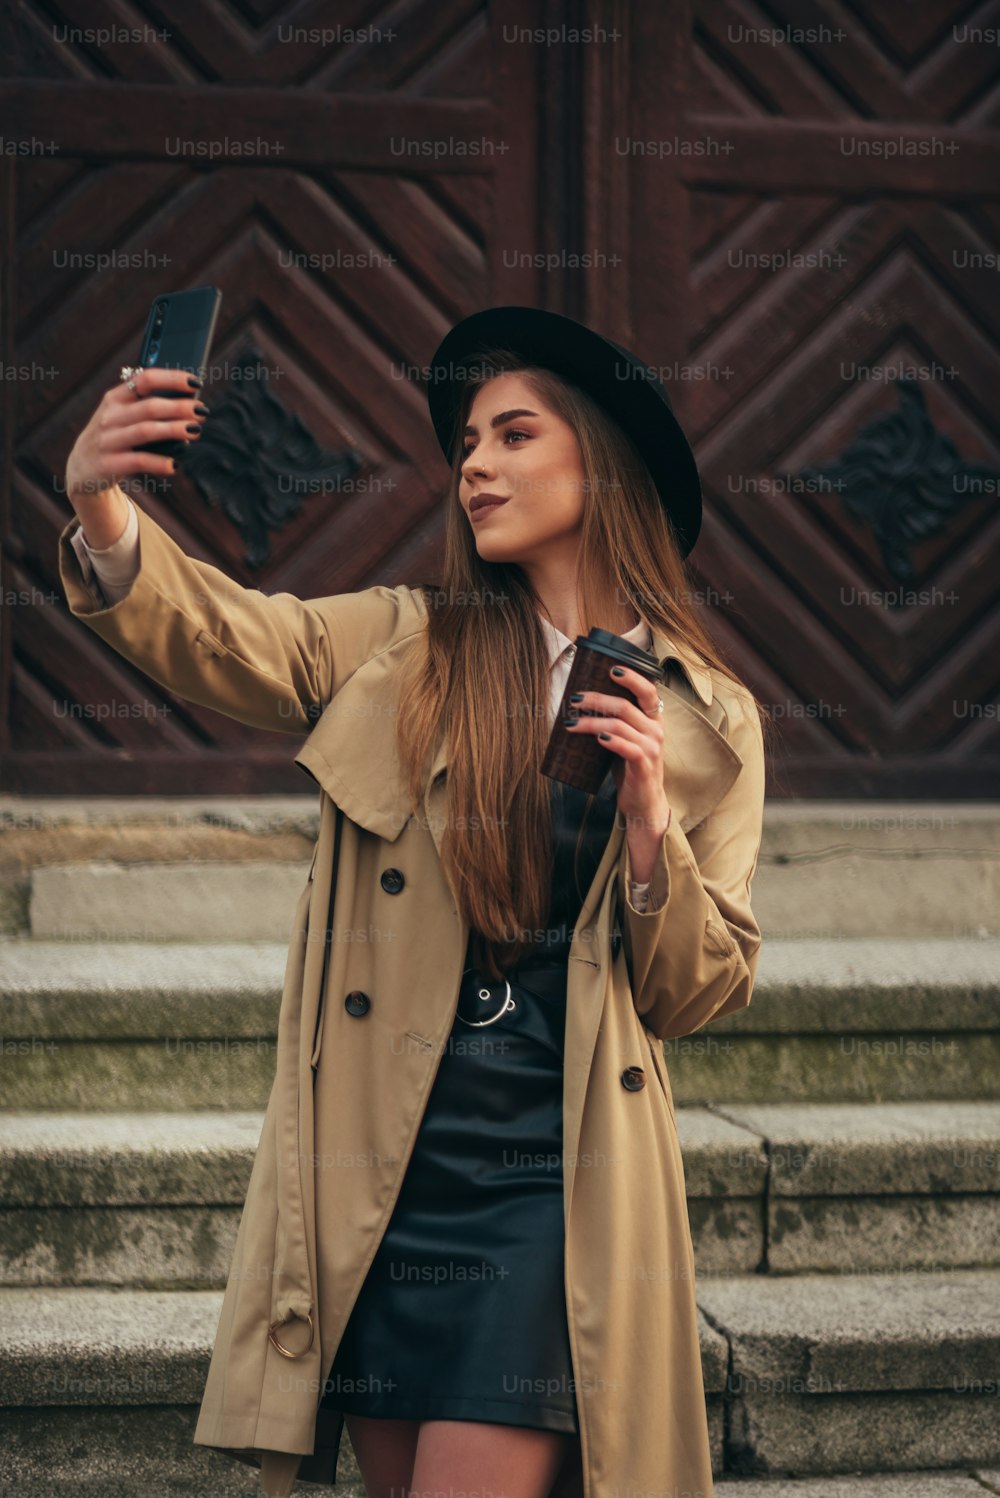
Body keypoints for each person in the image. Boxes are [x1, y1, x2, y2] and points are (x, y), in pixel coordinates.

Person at [59, 306, 768, 1498]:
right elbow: (235, 639)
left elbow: (699, 989)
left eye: (512, 432)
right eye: (464, 447)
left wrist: (651, 829)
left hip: (557, 1180)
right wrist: (99, 508)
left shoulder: (713, 718)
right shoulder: (408, 644)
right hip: (389, 1174)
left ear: (598, 458)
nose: (474, 464)